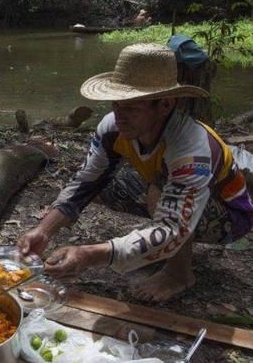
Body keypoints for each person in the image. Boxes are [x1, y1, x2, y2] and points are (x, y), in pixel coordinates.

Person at [18, 43, 253, 302]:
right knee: (99, 186)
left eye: (131, 107)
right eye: (116, 105)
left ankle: (179, 274)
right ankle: (152, 245)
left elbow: (173, 227)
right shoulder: (112, 128)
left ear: (165, 105)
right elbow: (86, 181)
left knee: (160, 191)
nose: (119, 116)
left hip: (228, 215)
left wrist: (91, 254)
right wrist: (45, 230)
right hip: (164, 187)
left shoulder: (192, 146)